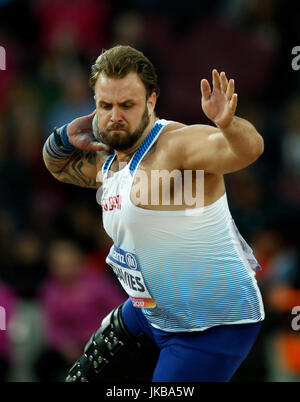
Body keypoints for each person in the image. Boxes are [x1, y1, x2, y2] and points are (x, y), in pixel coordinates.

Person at [43, 45, 265, 382]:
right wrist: (65, 134)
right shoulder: (110, 160)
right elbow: (59, 167)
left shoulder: (175, 147)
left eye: (127, 105)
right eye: (106, 105)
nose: (115, 116)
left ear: (151, 101)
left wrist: (229, 124)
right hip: (152, 311)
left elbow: (247, 150)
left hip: (211, 324)